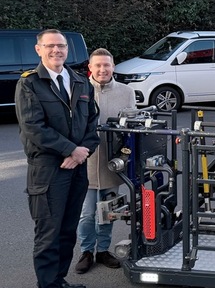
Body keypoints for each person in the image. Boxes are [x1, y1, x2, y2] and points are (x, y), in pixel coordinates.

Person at [16, 29, 100, 288]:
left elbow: (92, 123)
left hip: (76, 168)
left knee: (67, 232)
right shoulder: (29, 83)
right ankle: (48, 285)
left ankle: (58, 282)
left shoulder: (79, 81)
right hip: (48, 170)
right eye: (50, 46)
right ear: (38, 50)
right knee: (48, 234)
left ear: (67, 49)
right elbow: (33, 127)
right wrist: (70, 150)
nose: (56, 51)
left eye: (61, 46)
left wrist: (81, 152)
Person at [75, 48, 136, 274]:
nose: (102, 69)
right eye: (98, 65)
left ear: (113, 67)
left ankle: (103, 250)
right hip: (86, 164)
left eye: (106, 65)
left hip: (113, 164)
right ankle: (86, 251)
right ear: (90, 68)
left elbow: (132, 127)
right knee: (87, 213)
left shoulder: (127, 92)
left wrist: (125, 158)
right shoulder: (79, 89)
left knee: (108, 211)